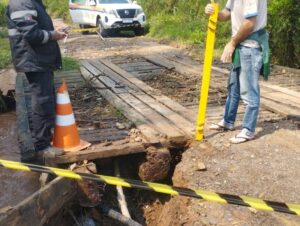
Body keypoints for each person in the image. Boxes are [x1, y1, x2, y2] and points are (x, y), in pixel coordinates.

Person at [6, 0, 68, 161]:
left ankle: (45, 138)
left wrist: (53, 32)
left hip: (38, 59)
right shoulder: (22, 3)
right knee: (42, 101)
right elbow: (31, 34)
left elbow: (34, 29)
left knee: (45, 99)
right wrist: (53, 35)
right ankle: (42, 147)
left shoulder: (31, 2)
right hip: (33, 60)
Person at [205, 0, 269, 144]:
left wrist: (232, 43)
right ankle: (228, 121)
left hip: (250, 47)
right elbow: (226, 14)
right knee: (233, 87)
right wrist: (214, 12)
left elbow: (250, 23)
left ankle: (248, 129)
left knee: (249, 91)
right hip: (241, 46)